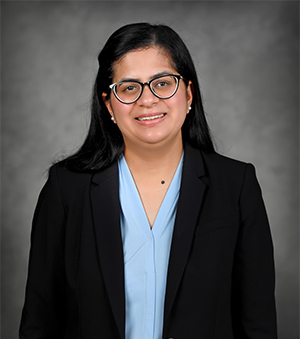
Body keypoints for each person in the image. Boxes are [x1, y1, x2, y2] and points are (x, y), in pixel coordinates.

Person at [19, 23, 277, 339]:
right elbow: (39, 321)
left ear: (188, 93)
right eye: (129, 87)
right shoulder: (67, 189)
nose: (148, 100)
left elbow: (257, 324)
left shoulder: (236, 186)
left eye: (162, 83)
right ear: (109, 105)